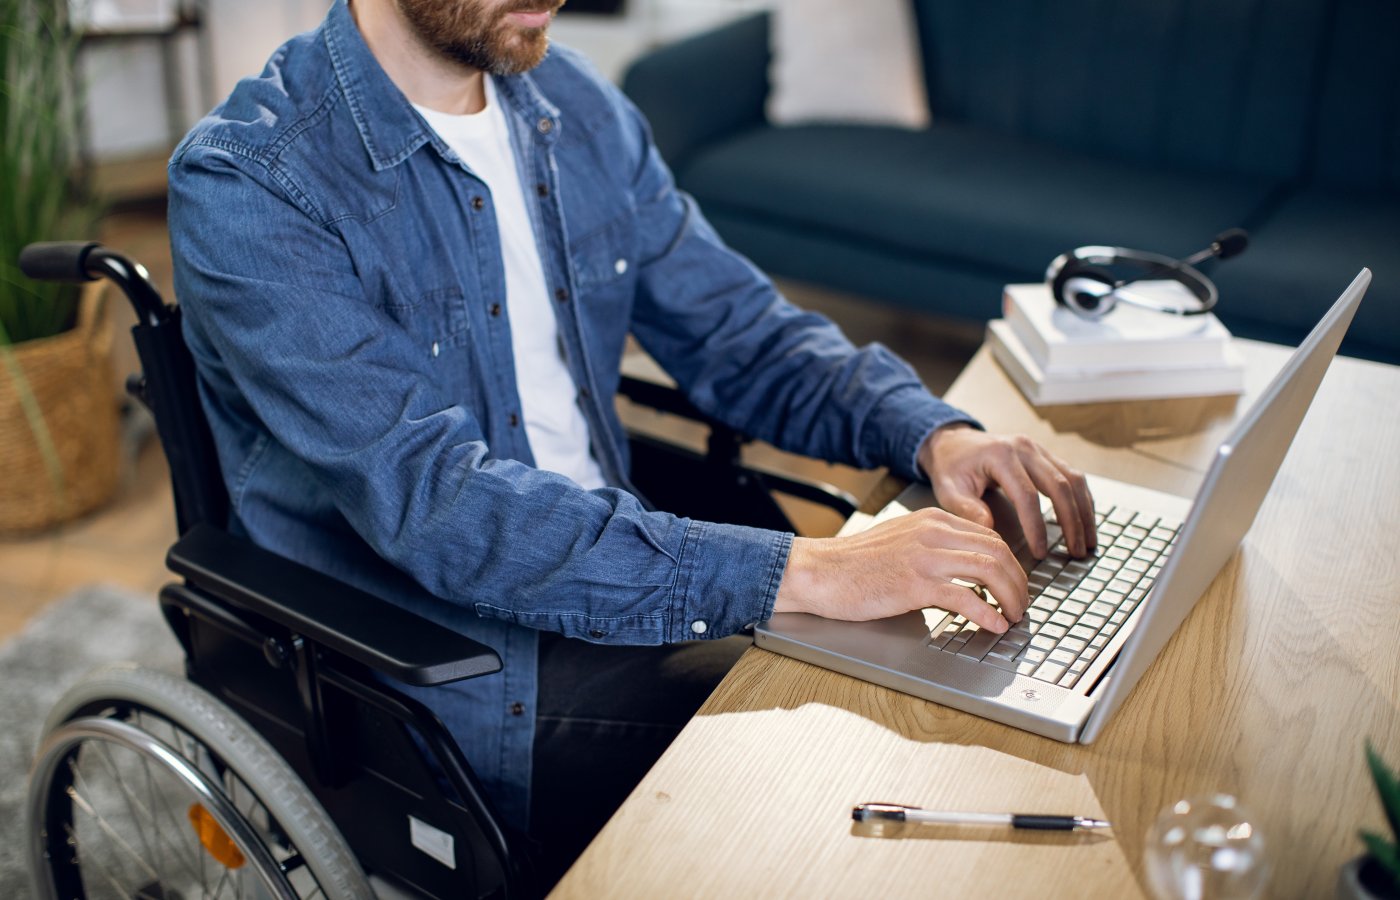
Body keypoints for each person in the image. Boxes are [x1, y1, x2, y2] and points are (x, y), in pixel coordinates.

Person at [167, 0, 1096, 887]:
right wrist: (809, 574)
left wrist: (933, 430)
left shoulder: (573, 105)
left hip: (614, 561)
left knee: (936, 668)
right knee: (843, 732)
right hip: (460, 666)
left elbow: (738, 330)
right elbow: (444, 508)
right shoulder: (253, 181)